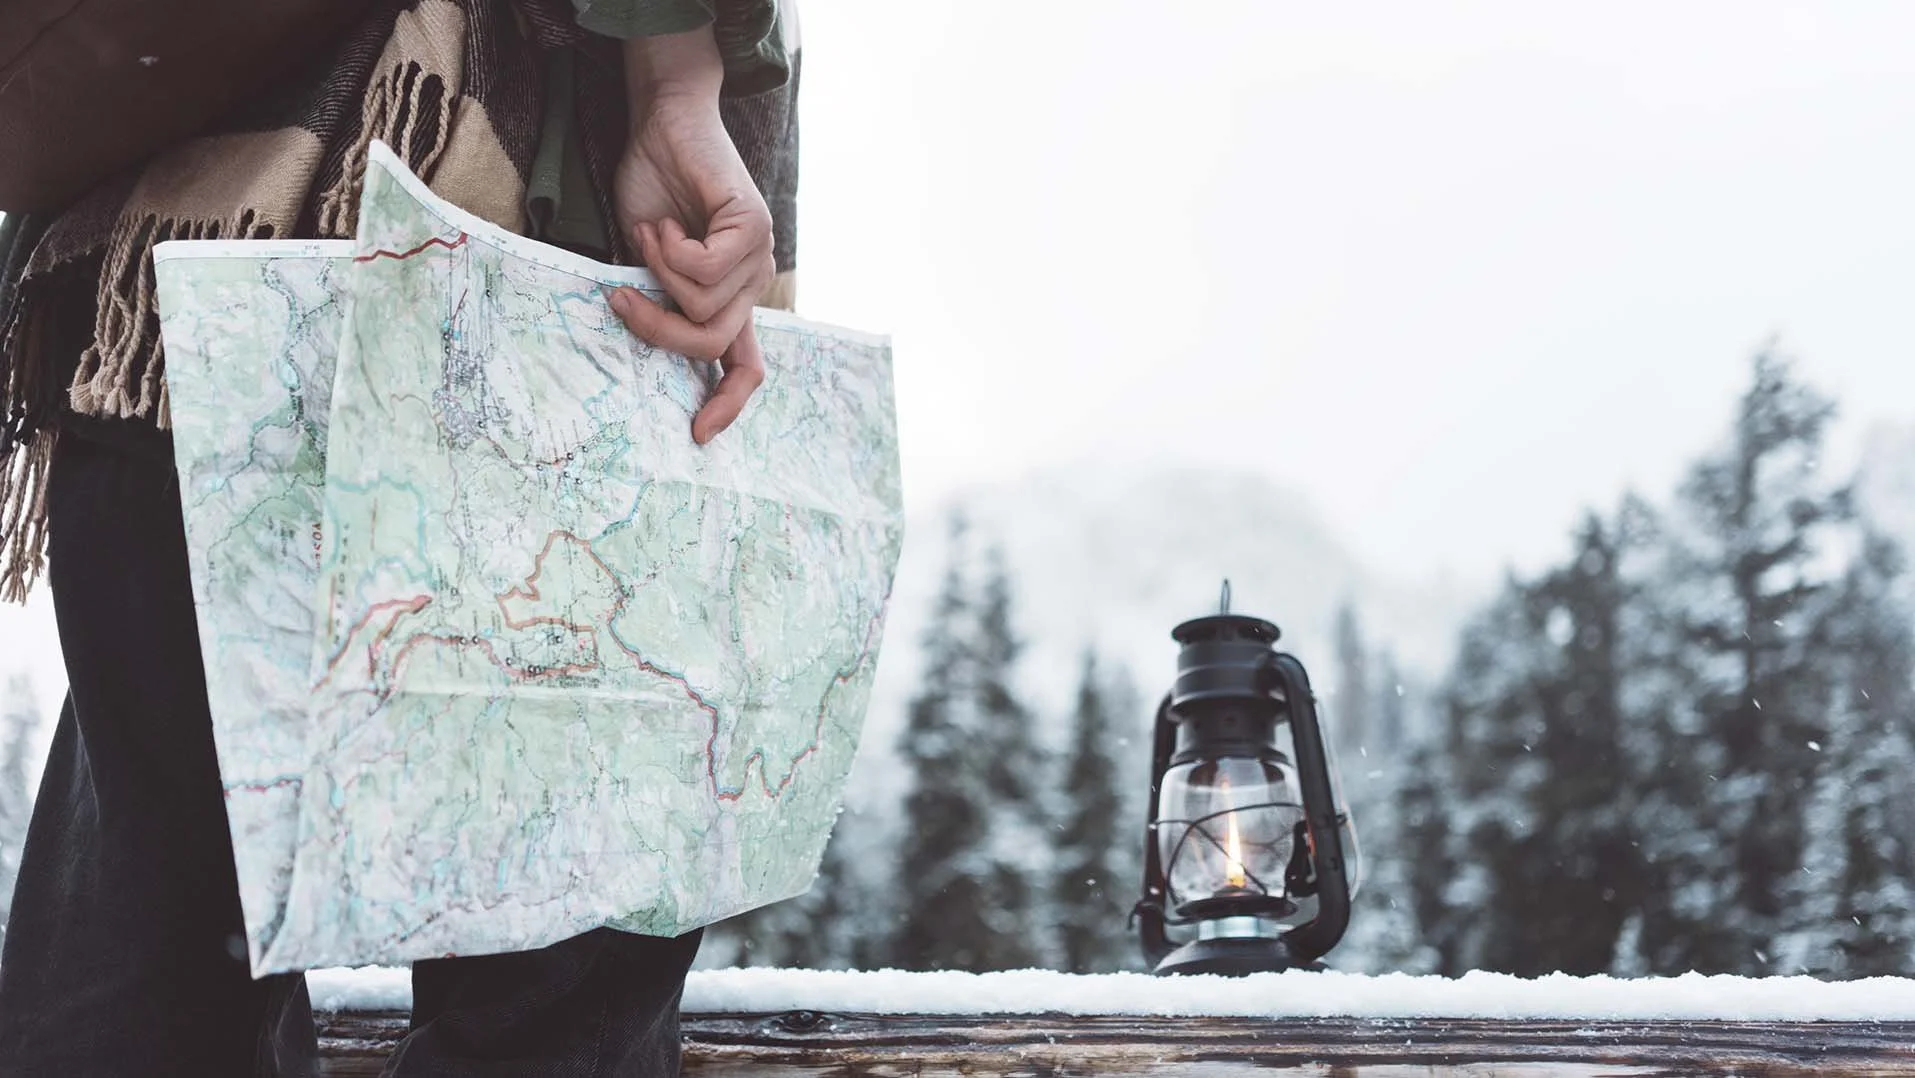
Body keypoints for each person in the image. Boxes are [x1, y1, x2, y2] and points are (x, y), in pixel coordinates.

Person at [0, 0, 798, 1073]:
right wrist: (671, 72)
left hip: (174, 283)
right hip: (512, 291)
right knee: (544, 1018)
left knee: (146, 965)